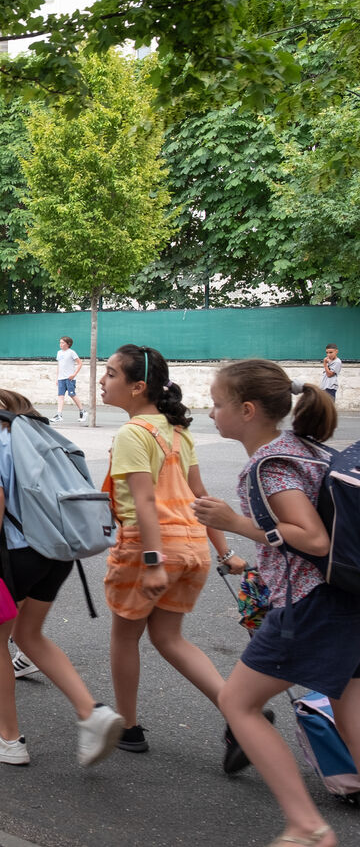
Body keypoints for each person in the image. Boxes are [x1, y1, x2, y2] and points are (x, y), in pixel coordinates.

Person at [193, 360, 350, 847]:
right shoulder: (309, 449)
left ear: (247, 410)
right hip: (348, 597)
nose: (211, 413)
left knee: (238, 702)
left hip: (310, 603)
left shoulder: (271, 463)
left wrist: (234, 523)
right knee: (349, 707)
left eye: (217, 404)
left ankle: (306, 826)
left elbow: (314, 539)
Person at [0, 364, 124, 767]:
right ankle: (92, 713)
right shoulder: (28, 422)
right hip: (57, 548)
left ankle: (7, 738)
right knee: (28, 634)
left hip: (18, 552)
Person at [99, 343, 247, 760]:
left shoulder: (133, 433)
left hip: (149, 548)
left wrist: (152, 562)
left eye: (111, 373)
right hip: (192, 547)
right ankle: (241, 716)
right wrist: (225, 553)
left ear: (138, 387)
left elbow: (144, 502)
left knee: (125, 637)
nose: (102, 380)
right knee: (169, 637)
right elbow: (200, 496)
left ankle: (129, 727)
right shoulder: (177, 432)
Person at [53, 336, 87, 424]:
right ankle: (59, 415)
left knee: (72, 394)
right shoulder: (59, 353)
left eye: (62, 343)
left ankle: (83, 411)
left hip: (69, 378)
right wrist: (57, 378)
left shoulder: (72, 352)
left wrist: (74, 374)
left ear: (68, 344)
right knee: (60, 396)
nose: (60, 344)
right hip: (61, 378)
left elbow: (80, 363)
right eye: (60, 342)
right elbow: (59, 366)